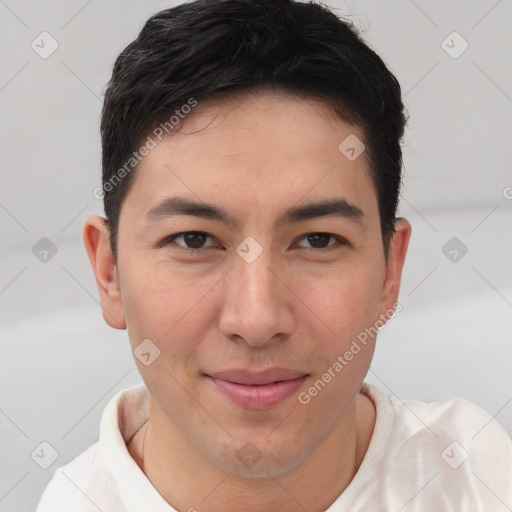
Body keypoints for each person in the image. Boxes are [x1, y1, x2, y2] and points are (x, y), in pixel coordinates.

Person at [36, 0, 512, 510]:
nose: (258, 319)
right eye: (194, 240)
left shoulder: (480, 477)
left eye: (318, 240)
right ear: (109, 274)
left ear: (390, 273)